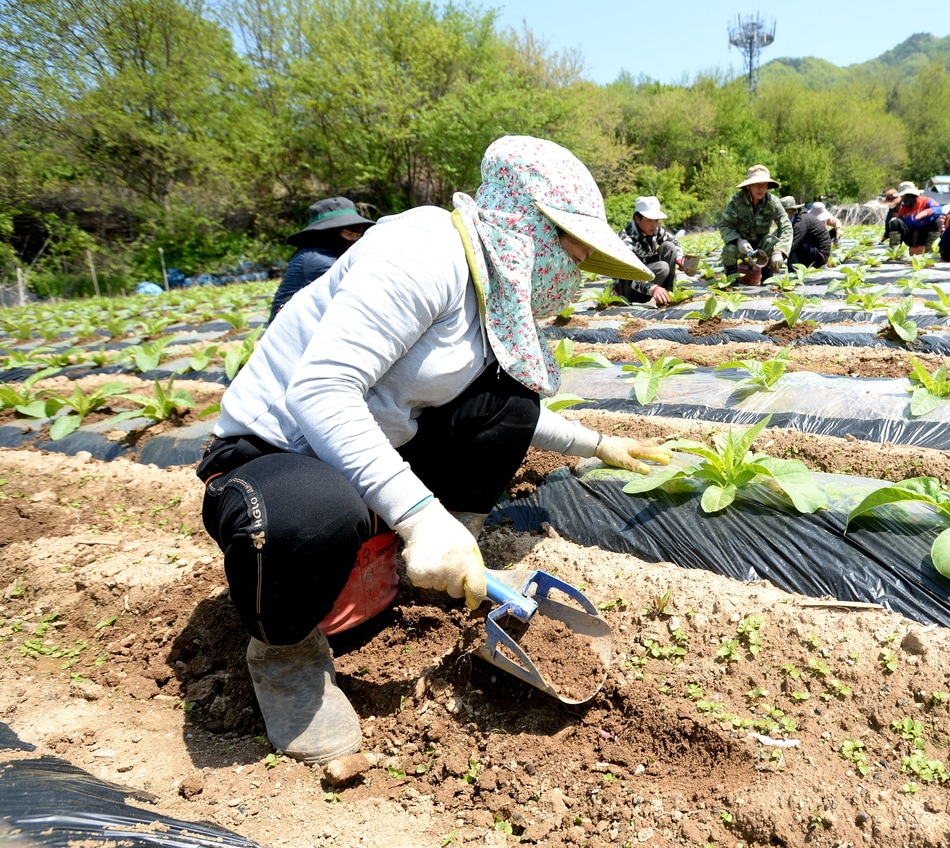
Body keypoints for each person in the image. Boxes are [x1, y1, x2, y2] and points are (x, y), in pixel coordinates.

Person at [196, 136, 671, 764]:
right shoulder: (424, 251)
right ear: (526, 227)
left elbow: (505, 414)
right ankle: (285, 657)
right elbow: (321, 390)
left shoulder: (488, 291)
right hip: (275, 455)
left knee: (511, 398)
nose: (580, 266)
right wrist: (422, 516)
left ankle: (438, 566)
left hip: (366, 452)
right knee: (312, 516)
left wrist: (601, 443)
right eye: (574, 246)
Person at [268, 197, 376, 321]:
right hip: (293, 329)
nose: (355, 240)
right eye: (349, 234)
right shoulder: (316, 258)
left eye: (358, 235)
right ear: (328, 233)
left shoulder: (329, 254)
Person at [719, 165, 793, 281]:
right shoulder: (736, 201)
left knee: (771, 241)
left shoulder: (773, 202)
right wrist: (738, 241)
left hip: (761, 244)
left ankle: (767, 280)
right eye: (756, 184)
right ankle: (731, 282)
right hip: (742, 245)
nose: (760, 188)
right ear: (748, 186)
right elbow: (726, 225)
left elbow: (786, 226)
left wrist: (779, 251)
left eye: (764, 185)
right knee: (729, 250)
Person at [614, 196, 685, 306]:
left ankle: (667, 294)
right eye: (649, 220)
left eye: (656, 220)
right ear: (637, 219)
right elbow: (628, 276)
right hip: (630, 286)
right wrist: (653, 289)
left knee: (669, 247)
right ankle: (651, 296)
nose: (654, 224)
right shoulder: (627, 239)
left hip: (648, 274)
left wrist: (679, 258)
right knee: (662, 267)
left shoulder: (655, 229)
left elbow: (673, 241)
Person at [886, 181, 942, 255]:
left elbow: (938, 209)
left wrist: (925, 212)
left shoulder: (926, 201)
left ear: (910, 195)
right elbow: (899, 222)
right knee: (895, 222)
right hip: (911, 235)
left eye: (903, 196)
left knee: (937, 221)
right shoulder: (904, 207)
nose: (902, 199)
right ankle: (894, 251)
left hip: (925, 234)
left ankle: (930, 251)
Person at [781, 196, 832, 270]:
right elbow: (779, 233)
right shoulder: (794, 219)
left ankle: (793, 270)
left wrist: (778, 257)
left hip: (821, 256)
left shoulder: (801, 221)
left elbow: (792, 244)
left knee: (794, 243)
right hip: (812, 250)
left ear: (790, 211)